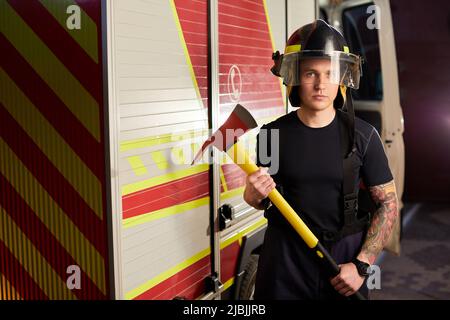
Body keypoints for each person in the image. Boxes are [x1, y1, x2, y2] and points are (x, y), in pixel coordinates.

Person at [243, 19, 399, 300]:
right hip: (284, 263)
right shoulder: (271, 134)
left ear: (341, 78)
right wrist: (251, 195)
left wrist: (361, 266)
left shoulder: (364, 136)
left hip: (342, 264)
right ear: (294, 78)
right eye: (310, 73)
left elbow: (387, 203)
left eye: (329, 73)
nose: (320, 84)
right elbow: (264, 198)